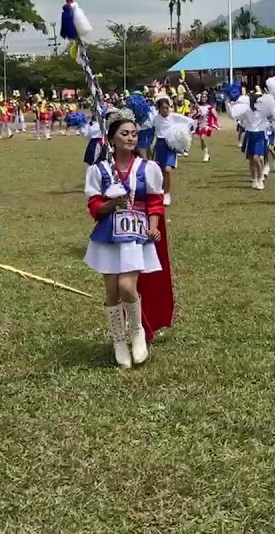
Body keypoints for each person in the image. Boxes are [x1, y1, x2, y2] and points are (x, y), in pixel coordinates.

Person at [84, 110, 174, 367]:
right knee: (112, 291)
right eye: (124, 134)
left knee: (127, 287)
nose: (131, 138)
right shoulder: (99, 170)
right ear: (112, 139)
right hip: (109, 236)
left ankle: (136, 332)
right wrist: (112, 203)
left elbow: (155, 202)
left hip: (136, 235)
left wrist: (153, 227)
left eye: (134, 134)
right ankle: (118, 340)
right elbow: (93, 207)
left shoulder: (148, 168)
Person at [194, 91, 219, 162]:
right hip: (200, 125)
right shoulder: (198, 107)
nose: (203, 98)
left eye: (205, 97)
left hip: (207, 126)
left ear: (207, 98)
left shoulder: (210, 107)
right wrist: (197, 114)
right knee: (202, 141)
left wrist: (214, 125)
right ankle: (206, 153)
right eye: (202, 97)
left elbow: (215, 117)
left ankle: (206, 155)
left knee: (202, 138)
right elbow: (195, 117)